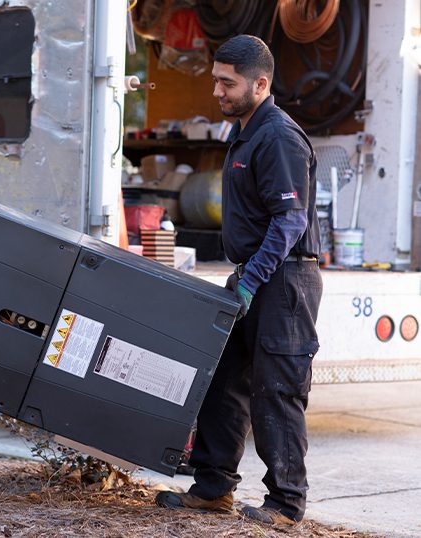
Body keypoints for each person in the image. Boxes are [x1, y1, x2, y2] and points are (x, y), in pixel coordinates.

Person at [156, 35, 322, 526]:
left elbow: (289, 222)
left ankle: (287, 504)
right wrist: (244, 278)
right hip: (254, 274)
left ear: (260, 83)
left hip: (285, 282)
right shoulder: (245, 132)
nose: (217, 92)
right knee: (224, 383)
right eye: (215, 80)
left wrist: (253, 279)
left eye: (227, 83)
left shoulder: (278, 137)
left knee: (277, 391)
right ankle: (213, 489)